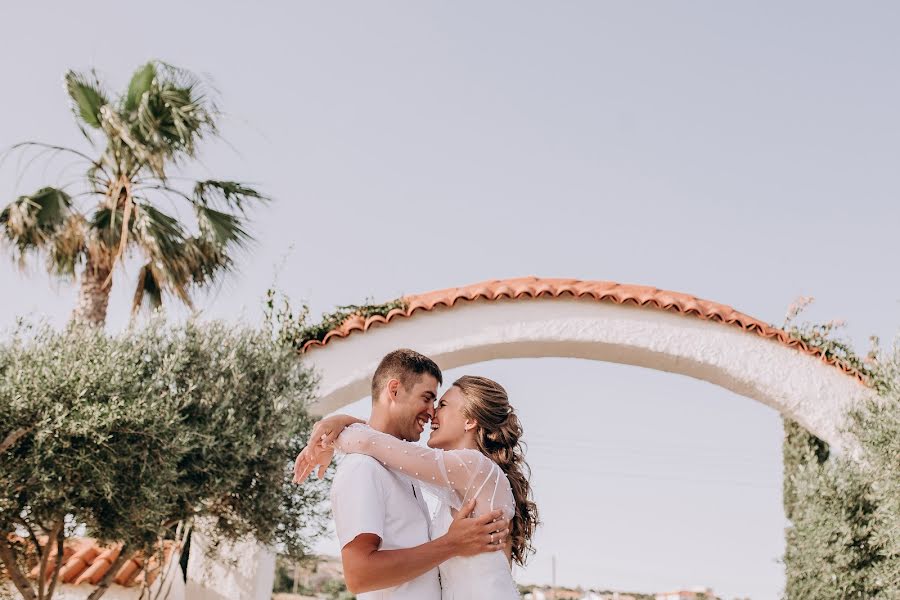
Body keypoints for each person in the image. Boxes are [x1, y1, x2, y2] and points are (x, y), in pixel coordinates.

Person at [294, 350, 539, 599]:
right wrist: (333, 431)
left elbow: (376, 443)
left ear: (470, 421)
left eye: (441, 404)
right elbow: (380, 445)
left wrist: (331, 434)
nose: (432, 412)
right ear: (394, 390)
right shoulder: (368, 468)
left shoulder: (474, 466)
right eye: (429, 399)